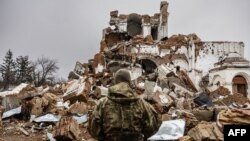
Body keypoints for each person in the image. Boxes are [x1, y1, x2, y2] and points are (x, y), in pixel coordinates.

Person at [88, 69, 160, 141]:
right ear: (129, 82)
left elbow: (93, 129)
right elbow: (152, 128)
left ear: (115, 82)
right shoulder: (142, 103)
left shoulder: (102, 103)